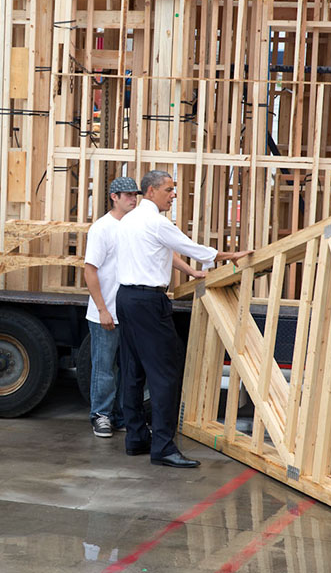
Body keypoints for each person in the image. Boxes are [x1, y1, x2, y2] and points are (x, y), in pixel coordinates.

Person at [115, 169, 250, 467]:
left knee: (133, 370)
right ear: (150, 192)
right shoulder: (155, 222)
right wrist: (230, 256)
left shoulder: (129, 220)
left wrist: (189, 272)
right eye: (168, 190)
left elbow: (164, 252)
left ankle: (136, 437)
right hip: (148, 302)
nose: (173, 195)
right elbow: (191, 248)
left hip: (126, 298)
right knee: (165, 375)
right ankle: (163, 446)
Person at [84, 176, 139, 438]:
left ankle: (118, 416)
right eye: (127, 195)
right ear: (114, 197)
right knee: (104, 368)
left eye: (135, 194)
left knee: (126, 368)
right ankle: (100, 415)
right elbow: (90, 270)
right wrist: (102, 309)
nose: (133, 199)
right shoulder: (102, 228)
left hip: (128, 312)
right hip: (105, 312)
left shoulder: (135, 226)